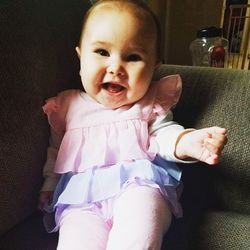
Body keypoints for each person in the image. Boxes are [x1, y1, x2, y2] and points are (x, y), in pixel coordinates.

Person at [38, 0, 227, 249]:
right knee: (76, 239)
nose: (116, 68)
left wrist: (189, 142)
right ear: (80, 56)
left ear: (153, 68)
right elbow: (56, 151)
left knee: (139, 225)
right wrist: (49, 185)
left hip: (138, 186)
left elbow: (165, 135)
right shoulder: (67, 106)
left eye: (133, 57)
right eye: (102, 52)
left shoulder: (148, 103)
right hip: (81, 201)